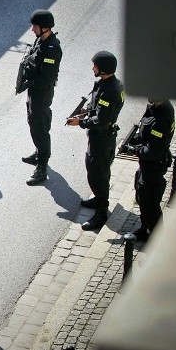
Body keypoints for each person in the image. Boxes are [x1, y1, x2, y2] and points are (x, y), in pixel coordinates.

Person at [67, 51, 125, 230]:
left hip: (102, 140)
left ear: (104, 69)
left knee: (98, 174)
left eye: (96, 66)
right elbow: (98, 109)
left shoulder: (110, 91)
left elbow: (102, 120)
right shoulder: (107, 84)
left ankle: (101, 212)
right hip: (99, 138)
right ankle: (98, 199)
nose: (93, 68)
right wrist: (86, 110)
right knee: (94, 170)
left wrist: (81, 122)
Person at [121, 99, 175, 241]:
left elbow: (152, 151)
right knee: (143, 197)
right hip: (147, 165)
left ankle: (157, 241)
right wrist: (136, 139)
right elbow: (147, 133)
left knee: (150, 203)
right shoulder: (157, 107)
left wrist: (133, 150)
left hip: (153, 166)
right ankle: (145, 228)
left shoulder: (161, 119)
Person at [19, 9, 62, 185]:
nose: (32, 30)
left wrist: (31, 83)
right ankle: (39, 152)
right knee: (33, 122)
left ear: (44, 28)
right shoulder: (40, 40)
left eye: (34, 26)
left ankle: (42, 167)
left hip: (41, 93)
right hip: (34, 92)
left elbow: (47, 77)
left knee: (40, 127)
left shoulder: (52, 49)